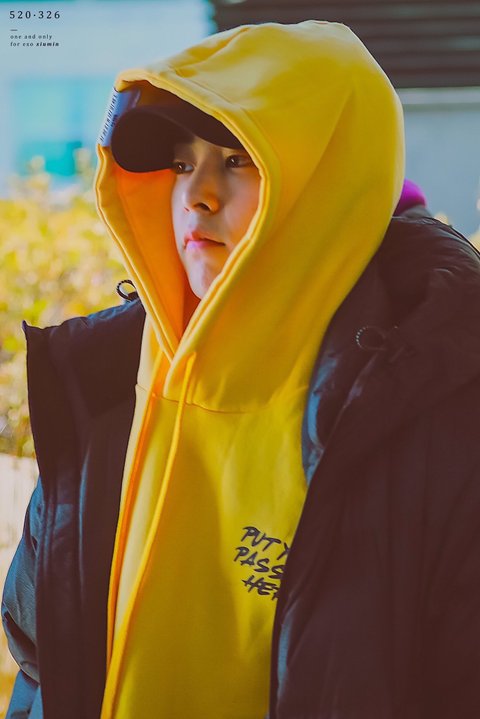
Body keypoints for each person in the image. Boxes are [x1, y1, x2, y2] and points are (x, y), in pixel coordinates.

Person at [3, 19, 480, 719]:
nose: (196, 194)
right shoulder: (104, 384)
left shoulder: (437, 417)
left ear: (328, 185)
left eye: (236, 160)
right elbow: (42, 657)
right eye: (180, 163)